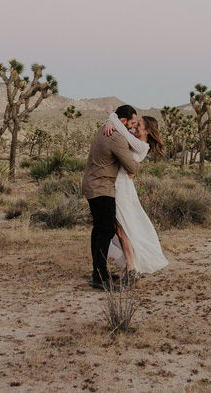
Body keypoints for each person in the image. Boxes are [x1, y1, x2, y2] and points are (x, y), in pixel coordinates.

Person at [82, 104, 142, 290]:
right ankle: (100, 277)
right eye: (131, 123)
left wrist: (111, 119)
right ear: (123, 121)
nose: (133, 127)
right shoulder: (115, 136)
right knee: (106, 230)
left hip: (94, 184)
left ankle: (99, 272)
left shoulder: (106, 128)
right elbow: (132, 167)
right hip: (102, 187)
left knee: (99, 230)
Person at [103, 113, 169, 277]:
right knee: (118, 225)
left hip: (122, 188)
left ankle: (131, 265)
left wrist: (112, 117)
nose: (135, 126)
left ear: (147, 131)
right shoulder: (134, 139)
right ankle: (129, 263)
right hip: (119, 185)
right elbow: (121, 132)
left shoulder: (142, 146)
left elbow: (123, 132)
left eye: (139, 124)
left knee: (121, 226)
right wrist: (108, 122)